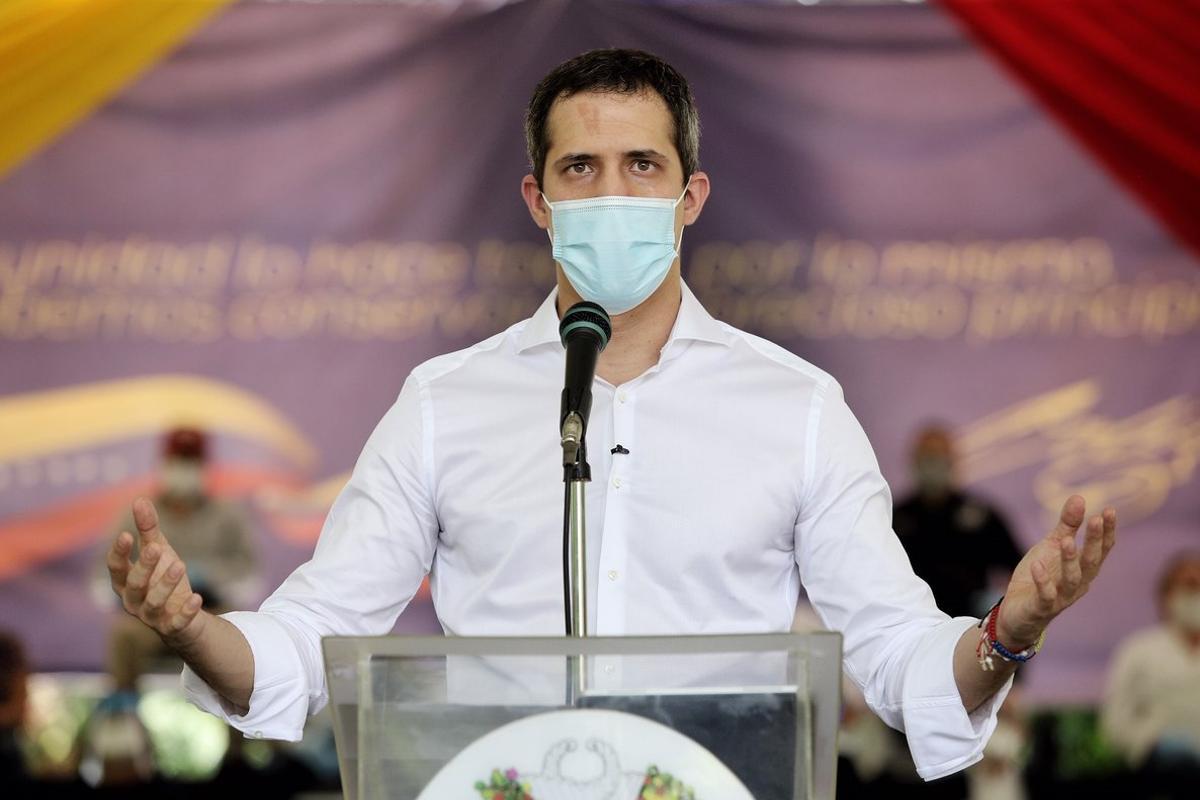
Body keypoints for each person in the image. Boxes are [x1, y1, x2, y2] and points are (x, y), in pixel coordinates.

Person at [104, 49, 1118, 782]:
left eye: (643, 166)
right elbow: (309, 642)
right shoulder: (443, 406)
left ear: (693, 195)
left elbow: (900, 660)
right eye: (580, 170)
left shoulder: (797, 409)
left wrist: (1010, 628)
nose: (611, 193)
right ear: (537, 198)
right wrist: (191, 626)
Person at [96, 427, 259, 693]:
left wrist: (210, 577)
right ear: (164, 464)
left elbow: (250, 576)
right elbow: (102, 578)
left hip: (211, 615)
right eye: (178, 461)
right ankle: (121, 718)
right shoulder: (138, 513)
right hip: (150, 618)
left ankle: (246, 731)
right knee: (123, 636)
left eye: (191, 462)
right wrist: (137, 583)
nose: (184, 469)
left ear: (205, 467)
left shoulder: (228, 515)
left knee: (243, 648)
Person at [894, 425, 1024, 619]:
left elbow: (1018, 567)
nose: (933, 465)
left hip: (970, 627)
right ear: (914, 462)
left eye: (939, 457)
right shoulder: (895, 517)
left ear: (953, 461)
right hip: (910, 624)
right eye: (927, 457)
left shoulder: (981, 515)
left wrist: (1005, 609)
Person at [1101, 551, 1200, 798]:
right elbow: (1115, 724)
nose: (1196, 595)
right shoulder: (1138, 651)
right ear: (1166, 596)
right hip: (1160, 780)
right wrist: (1152, 745)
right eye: (1189, 586)